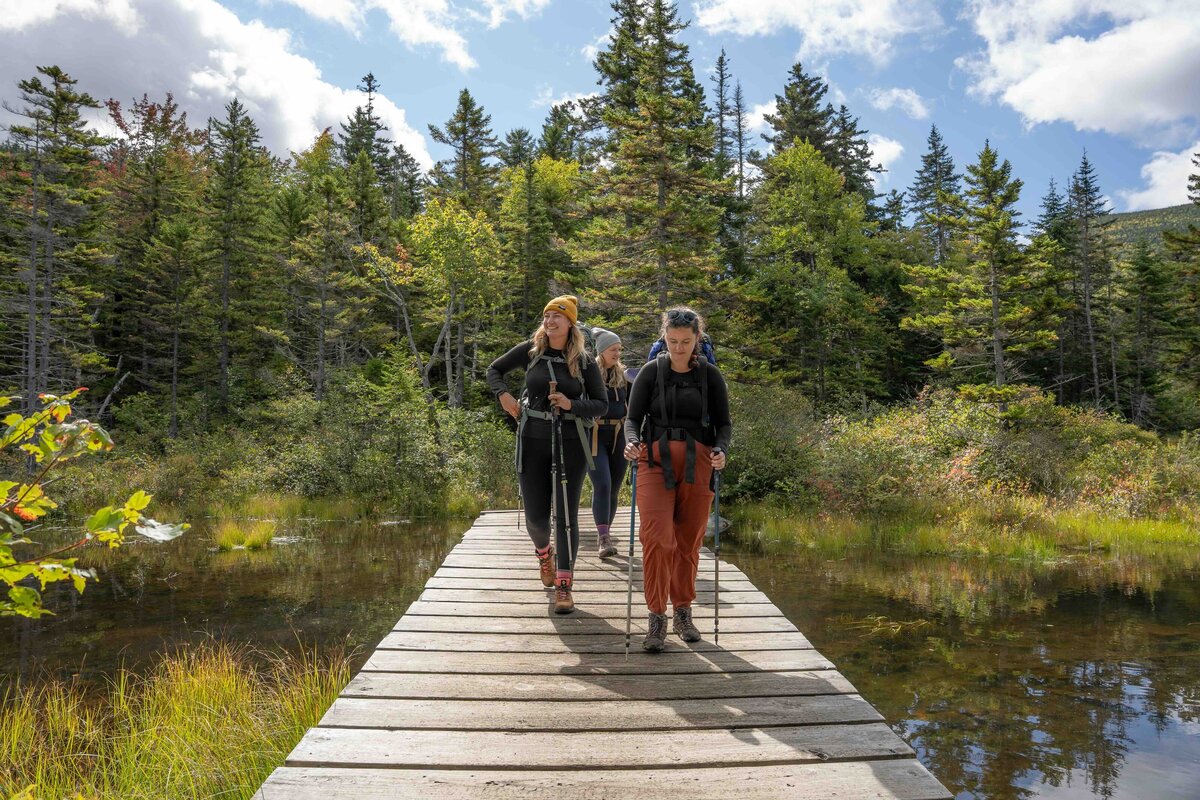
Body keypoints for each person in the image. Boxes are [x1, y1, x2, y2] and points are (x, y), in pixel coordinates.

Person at [487, 296, 607, 614]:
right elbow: (494, 370)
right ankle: (544, 554)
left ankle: (565, 585)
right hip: (532, 441)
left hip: (571, 443)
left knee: (566, 516)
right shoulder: (531, 351)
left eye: (557, 316)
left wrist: (571, 405)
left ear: (570, 323)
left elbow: (601, 403)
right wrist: (504, 396)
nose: (550, 320)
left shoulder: (584, 361)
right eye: (547, 315)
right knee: (537, 519)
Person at [623, 307, 731, 652]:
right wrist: (631, 442)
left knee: (688, 543)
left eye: (686, 341)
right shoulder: (650, 373)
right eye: (672, 341)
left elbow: (724, 424)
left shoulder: (711, 376)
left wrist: (721, 449)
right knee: (658, 538)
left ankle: (683, 611)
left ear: (697, 338)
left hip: (699, 463)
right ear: (664, 337)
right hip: (653, 461)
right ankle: (656, 617)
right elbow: (632, 419)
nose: (679, 347)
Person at [586, 327, 629, 558]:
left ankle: (607, 533)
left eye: (619, 349)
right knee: (602, 484)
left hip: (619, 436)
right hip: (594, 436)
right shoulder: (588, 373)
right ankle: (602, 539)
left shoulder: (624, 376)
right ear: (601, 351)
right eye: (613, 349)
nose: (617, 353)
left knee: (613, 487)